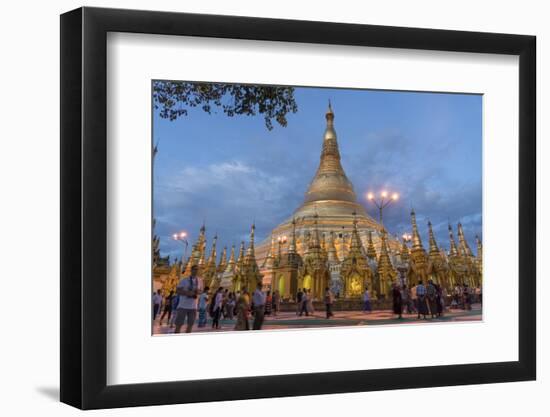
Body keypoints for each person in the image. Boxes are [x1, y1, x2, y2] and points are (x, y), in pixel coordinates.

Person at [174, 265, 203, 333]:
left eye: (197, 269)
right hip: (183, 306)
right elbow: (177, 291)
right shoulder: (184, 280)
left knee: (190, 325)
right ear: (191, 270)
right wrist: (187, 293)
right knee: (179, 325)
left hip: (193, 307)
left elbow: (201, 291)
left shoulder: (200, 280)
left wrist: (198, 292)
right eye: (195, 269)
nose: (196, 271)